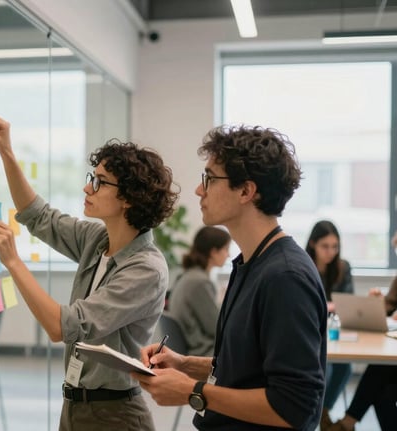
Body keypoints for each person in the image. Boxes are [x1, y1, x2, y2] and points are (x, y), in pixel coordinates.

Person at [0, 115, 178, 430]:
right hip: (75, 405)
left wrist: (14, 262)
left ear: (128, 198)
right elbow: (38, 215)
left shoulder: (146, 269)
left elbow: (62, 327)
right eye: (92, 177)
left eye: (99, 182)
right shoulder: (98, 239)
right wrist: (6, 152)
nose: (88, 187)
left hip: (114, 415)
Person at [133, 125, 326, 430]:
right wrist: (184, 364)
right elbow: (246, 369)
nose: (199, 190)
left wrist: (192, 391)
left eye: (209, 178)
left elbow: (294, 407)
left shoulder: (285, 277)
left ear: (246, 191)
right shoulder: (250, 263)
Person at [325, 226, 397, 431]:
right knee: (381, 386)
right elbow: (388, 307)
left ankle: (347, 423)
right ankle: (348, 423)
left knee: (378, 371)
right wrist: (376, 303)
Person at [305, 220, 354, 429]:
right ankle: (319, 415)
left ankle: (322, 411)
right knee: (326, 366)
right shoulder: (302, 264)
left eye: (335, 246)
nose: (331, 252)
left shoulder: (342, 267)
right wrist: (329, 306)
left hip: (335, 328)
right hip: (309, 328)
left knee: (345, 367)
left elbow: (348, 301)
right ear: (313, 244)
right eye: (325, 246)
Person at [165, 226, 230, 356]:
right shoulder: (200, 282)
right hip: (203, 353)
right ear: (213, 252)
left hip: (190, 349)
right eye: (226, 249)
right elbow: (218, 329)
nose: (228, 255)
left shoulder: (188, 276)